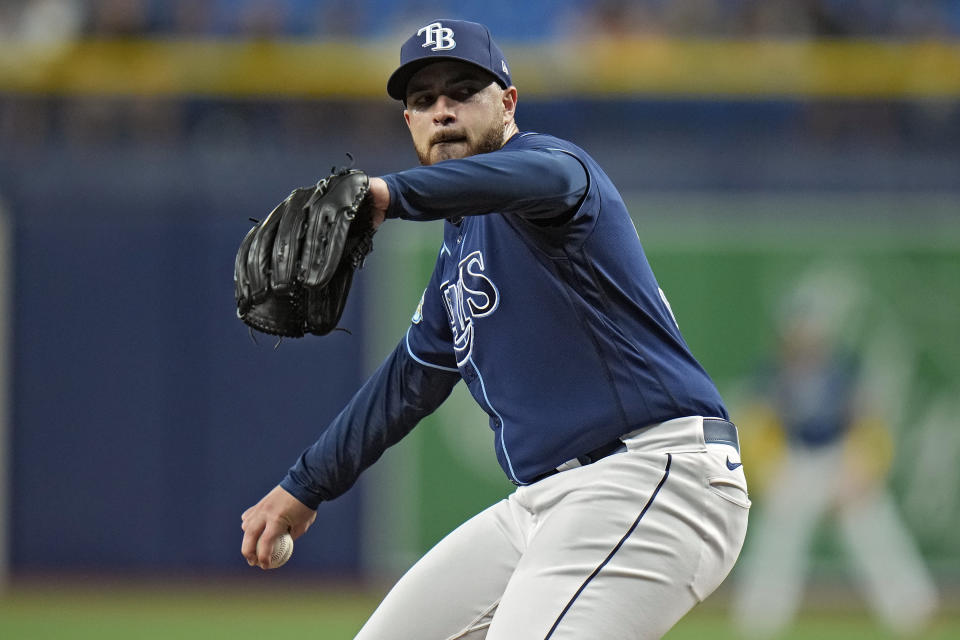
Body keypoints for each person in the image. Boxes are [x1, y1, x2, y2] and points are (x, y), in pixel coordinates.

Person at [241, 19, 749, 639]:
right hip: (544, 504)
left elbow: (539, 182)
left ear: (508, 103)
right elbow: (409, 381)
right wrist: (303, 487)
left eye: (463, 92)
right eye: (423, 100)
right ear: (409, 123)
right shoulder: (459, 252)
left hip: (653, 476)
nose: (443, 111)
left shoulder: (552, 168)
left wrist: (387, 194)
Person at [731, 269, 938, 638]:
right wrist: (770, 474)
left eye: (811, 326)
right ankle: (760, 616)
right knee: (779, 533)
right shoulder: (773, 372)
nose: (805, 334)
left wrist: (862, 467)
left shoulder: (843, 368)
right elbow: (759, 428)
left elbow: (868, 423)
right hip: (795, 460)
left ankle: (912, 608)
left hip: (839, 458)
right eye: (798, 326)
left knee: (872, 523)